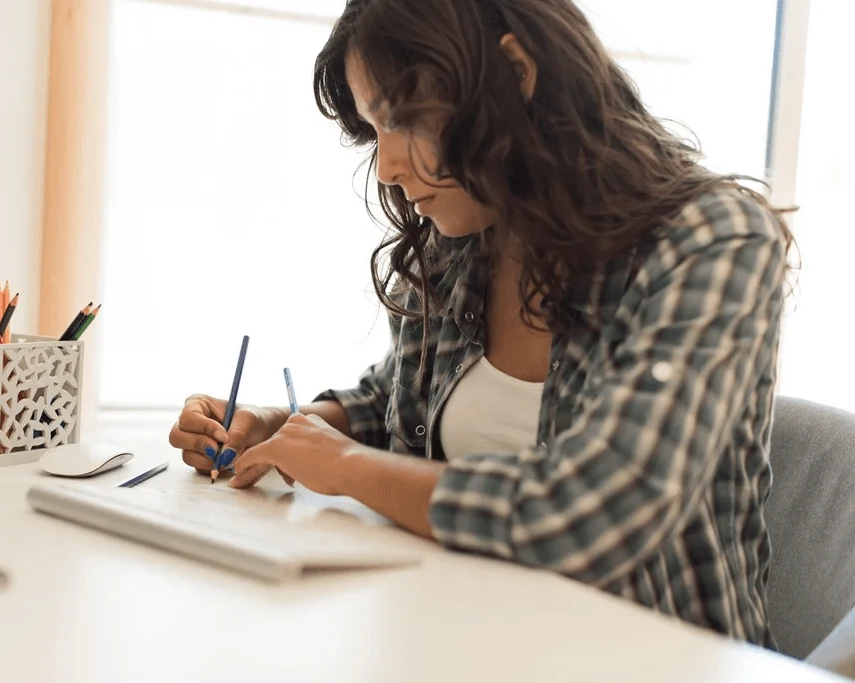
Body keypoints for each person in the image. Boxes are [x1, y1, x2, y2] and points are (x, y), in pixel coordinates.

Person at [168, 0, 795, 647]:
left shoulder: (714, 242)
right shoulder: (467, 232)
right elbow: (399, 396)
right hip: (456, 636)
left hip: (650, 658)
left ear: (516, 70)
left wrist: (348, 466)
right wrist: (284, 428)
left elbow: (597, 509)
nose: (385, 167)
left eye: (400, 118)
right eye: (372, 128)